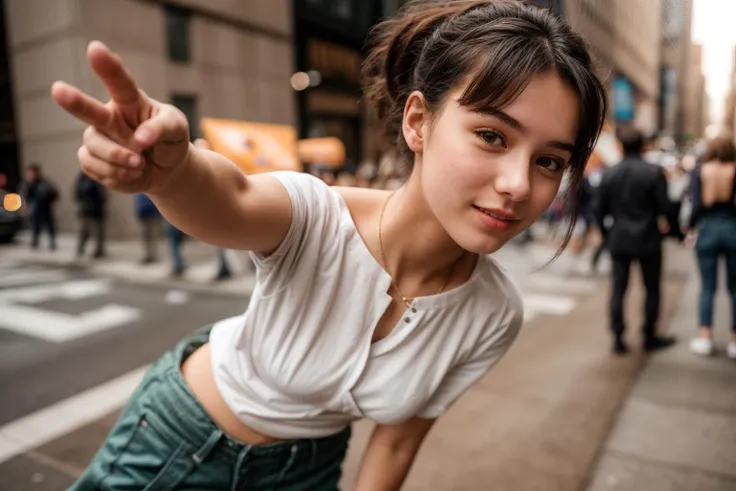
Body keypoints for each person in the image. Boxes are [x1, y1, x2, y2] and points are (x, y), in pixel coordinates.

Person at [51, 1, 606, 489]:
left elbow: (397, 442)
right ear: (418, 122)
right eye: (491, 135)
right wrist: (169, 172)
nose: (516, 184)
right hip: (180, 439)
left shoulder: (494, 314)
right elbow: (229, 199)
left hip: (310, 470)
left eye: (549, 162)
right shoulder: (318, 215)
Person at [595, 127, 682, 355]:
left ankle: (618, 337)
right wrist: (671, 229)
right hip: (648, 238)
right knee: (651, 288)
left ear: (621, 146)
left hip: (619, 238)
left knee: (618, 289)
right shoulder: (654, 172)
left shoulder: (610, 173)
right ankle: (649, 335)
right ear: (644, 145)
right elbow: (665, 207)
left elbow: (598, 211)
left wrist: (607, 236)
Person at [687, 135, 736, 359]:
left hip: (707, 228)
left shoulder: (700, 171)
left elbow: (696, 205)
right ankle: (734, 340)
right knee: (734, 289)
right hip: (732, 227)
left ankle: (705, 336)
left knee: (707, 286)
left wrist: (689, 228)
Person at [18, 163, 58, 251]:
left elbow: (54, 193)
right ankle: (35, 241)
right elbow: (23, 195)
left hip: (45, 208)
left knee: (49, 226)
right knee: (35, 226)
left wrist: (51, 202)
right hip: (34, 209)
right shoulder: (27, 184)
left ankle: (52, 242)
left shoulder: (44, 183)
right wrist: (25, 205)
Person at [74, 170, 107, 258]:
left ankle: (98, 250)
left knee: (98, 231)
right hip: (87, 209)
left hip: (96, 210)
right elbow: (78, 193)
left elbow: (103, 195)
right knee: (85, 230)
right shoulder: (83, 178)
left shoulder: (98, 177)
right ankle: (81, 248)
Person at [134, 192, 161, 264]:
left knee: (152, 236)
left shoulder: (150, 188)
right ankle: (147, 255)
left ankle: (153, 255)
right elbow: (138, 204)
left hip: (152, 215)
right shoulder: (139, 192)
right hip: (143, 215)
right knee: (145, 237)